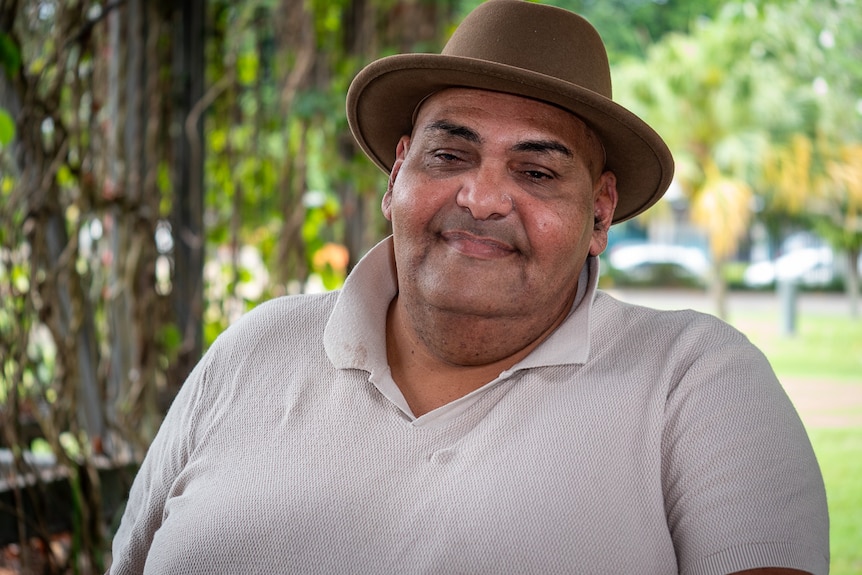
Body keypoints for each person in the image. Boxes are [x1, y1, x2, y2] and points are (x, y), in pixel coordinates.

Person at [108, 1, 829, 573]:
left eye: (537, 171)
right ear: (397, 177)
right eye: (450, 153)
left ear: (600, 212)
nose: (482, 198)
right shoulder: (254, 347)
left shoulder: (696, 379)